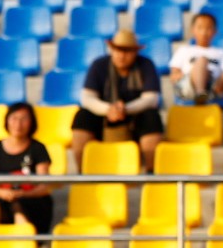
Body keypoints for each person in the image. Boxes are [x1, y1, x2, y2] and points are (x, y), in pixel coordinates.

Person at [70, 29, 163, 174]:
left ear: (135, 52)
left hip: (135, 119)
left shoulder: (146, 65)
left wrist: (125, 109)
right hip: (103, 118)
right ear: (111, 49)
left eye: (127, 51)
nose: (121, 55)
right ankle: (82, 172)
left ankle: (151, 171)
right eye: (118, 50)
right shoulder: (99, 65)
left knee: (152, 117)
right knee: (82, 117)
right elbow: (87, 98)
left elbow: (152, 99)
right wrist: (109, 109)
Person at [0, 101, 54, 234]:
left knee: (18, 205)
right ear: (7, 120)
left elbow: (44, 186)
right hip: (2, 197)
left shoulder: (39, 148)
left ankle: (25, 247)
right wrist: (2, 193)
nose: (18, 124)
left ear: (32, 122)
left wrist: (23, 194)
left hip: (32, 200)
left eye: (24, 119)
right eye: (14, 118)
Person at [168, 11, 223, 108]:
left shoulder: (220, 53)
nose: (204, 32)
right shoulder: (184, 50)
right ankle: (201, 95)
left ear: (215, 31)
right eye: (200, 28)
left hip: (213, 86)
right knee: (202, 60)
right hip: (189, 86)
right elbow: (174, 74)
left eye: (208, 28)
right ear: (193, 30)